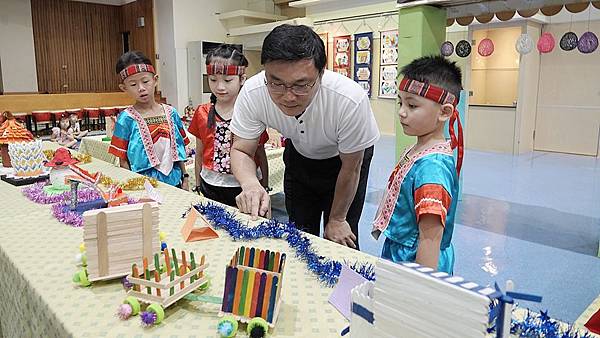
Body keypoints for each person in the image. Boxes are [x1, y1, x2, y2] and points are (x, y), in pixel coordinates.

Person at [230, 24, 380, 249]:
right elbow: (241, 149)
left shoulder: (348, 99)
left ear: (321, 73)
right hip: (300, 153)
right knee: (299, 232)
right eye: (276, 83)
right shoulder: (253, 92)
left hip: (345, 161)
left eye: (301, 85)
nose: (288, 96)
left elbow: (351, 168)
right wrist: (250, 183)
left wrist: (337, 219)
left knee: (339, 237)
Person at [371, 55, 464, 274]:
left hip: (416, 262)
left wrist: (420, 287)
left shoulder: (432, 168)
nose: (402, 112)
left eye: (412, 105)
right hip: (402, 253)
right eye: (400, 102)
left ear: (444, 112)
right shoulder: (417, 150)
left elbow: (430, 237)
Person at [188, 44, 269, 207]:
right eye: (213, 80)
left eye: (227, 80)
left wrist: (264, 185)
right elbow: (200, 152)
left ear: (242, 79)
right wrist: (197, 184)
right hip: (211, 184)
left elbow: (260, 153)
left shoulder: (251, 112)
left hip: (244, 186)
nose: (220, 87)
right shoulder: (202, 112)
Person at [108, 51, 191, 189]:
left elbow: (178, 150)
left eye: (145, 81)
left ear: (155, 80)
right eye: (133, 85)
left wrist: (185, 177)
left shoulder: (171, 113)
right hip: (144, 187)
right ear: (124, 88)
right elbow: (123, 161)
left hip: (176, 183)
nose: (141, 88)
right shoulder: (126, 119)